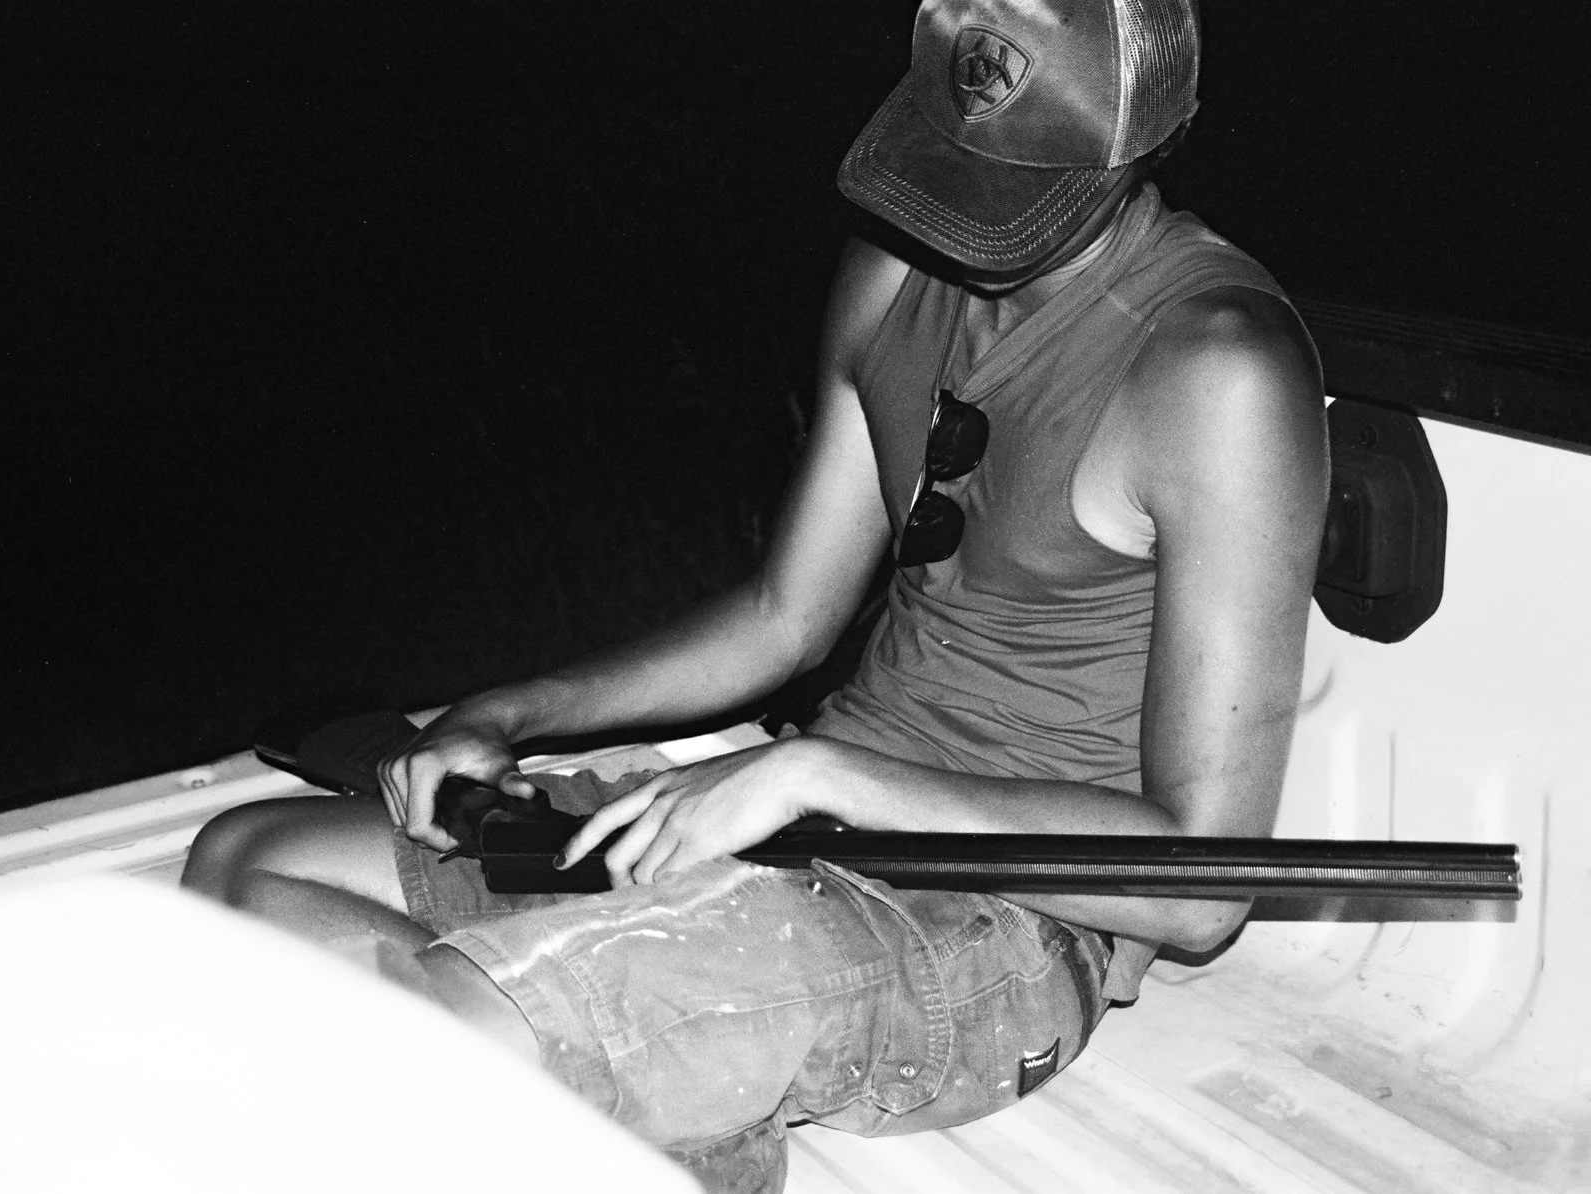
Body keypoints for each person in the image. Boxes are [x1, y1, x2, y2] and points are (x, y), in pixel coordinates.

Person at [181, 2, 1327, 1190]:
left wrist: (815, 773)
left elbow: (1201, 894)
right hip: (795, 831)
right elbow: (788, 613)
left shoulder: (1216, 366)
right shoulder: (895, 269)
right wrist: (502, 715)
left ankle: (605, 1050)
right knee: (247, 865)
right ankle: (659, 1094)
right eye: (953, 165)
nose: (966, 227)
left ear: (1146, 142)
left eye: (1017, 187)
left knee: (432, 1047)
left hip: (996, 918)